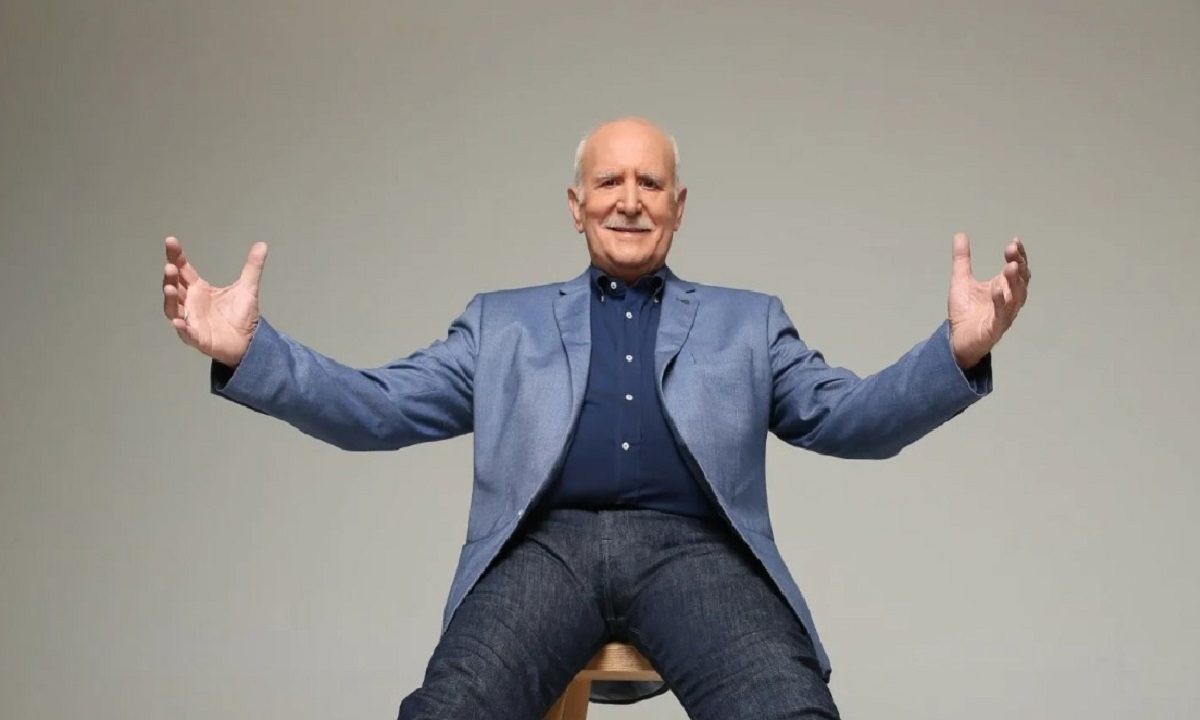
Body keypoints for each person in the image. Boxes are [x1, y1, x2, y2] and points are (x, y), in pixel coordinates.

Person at [161, 117, 1030, 719]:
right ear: (575, 205)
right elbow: (377, 409)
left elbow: (850, 419)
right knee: (451, 711)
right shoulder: (501, 324)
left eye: (650, 182)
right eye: (609, 181)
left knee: (788, 711)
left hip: (697, 555)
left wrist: (954, 353)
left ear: (679, 206)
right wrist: (250, 352)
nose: (629, 199)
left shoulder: (749, 322)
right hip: (544, 552)